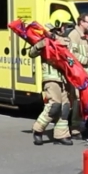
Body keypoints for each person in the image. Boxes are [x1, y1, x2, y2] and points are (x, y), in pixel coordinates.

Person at [30, 10, 74, 146]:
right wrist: (41, 45)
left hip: (65, 78)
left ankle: (61, 134)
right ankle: (38, 130)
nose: (67, 28)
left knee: (65, 106)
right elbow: (31, 53)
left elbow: (71, 57)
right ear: (58, 24)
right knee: (54, 105)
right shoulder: (46, 40)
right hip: (51, 77)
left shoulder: (66, 41)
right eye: (65, 25)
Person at [68, 11, 88, 140]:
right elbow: (70, 55)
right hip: (79, 76)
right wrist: (85, 60)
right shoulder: (74, 35)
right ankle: (75, 129)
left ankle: (83, 127)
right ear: (81, 22)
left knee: (86, 103)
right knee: (78, 102)